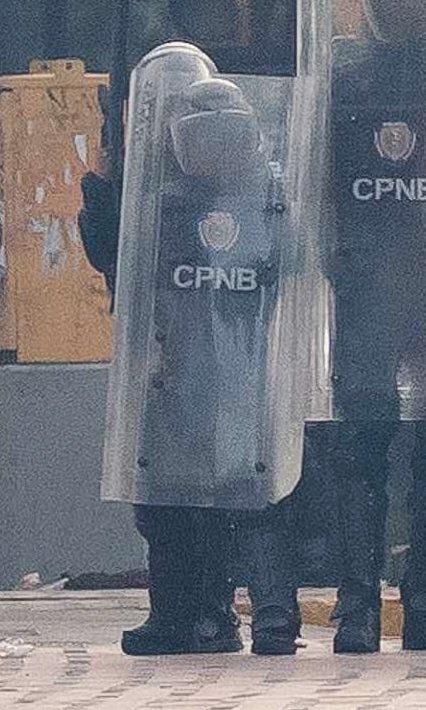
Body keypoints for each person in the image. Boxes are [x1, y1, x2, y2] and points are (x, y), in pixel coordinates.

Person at [290, 0, 426, 654]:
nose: (402, 2)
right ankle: (359, 606)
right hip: (367, 285)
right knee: (359, 450)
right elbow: (318, 184)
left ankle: (425, 600)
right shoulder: (344, 76)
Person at [103, 69, 310, 655]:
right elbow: (119, 274)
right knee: (164, 501)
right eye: (198, 135)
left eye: (224, 134)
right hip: (177, 373)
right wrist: (102, 190)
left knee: (256, 499)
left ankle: (274, 619)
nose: (211, 147)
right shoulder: (160, 205)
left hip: (250, 373)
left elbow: (299, 273)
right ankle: (184, 616)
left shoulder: (270, 201)